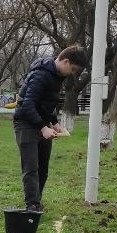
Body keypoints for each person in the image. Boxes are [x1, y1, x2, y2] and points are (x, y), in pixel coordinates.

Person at [13, 45, 89, 213]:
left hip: (42, 124)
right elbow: (27, 105)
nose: (73, 73)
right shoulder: (41, 75)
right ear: (66, 61)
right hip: (25, 124)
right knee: (31, 168)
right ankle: (32, 205)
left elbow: (47, 103)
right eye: (73, 69)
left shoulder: (57, 76)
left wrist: (54, 122)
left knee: (43, 169)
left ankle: (37, 201)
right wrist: (43, 127)